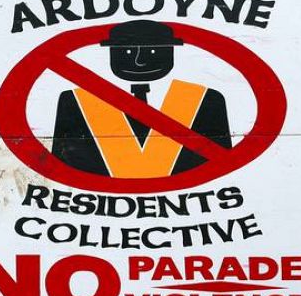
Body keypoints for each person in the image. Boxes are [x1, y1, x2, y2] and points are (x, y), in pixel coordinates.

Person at [51, 20, 231, 178]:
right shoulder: (73, 101)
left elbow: (223, 168)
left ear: (170, 52)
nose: (139, 61)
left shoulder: (208, 99)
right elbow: (59, 166)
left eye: (152, 51)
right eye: (128, 51)